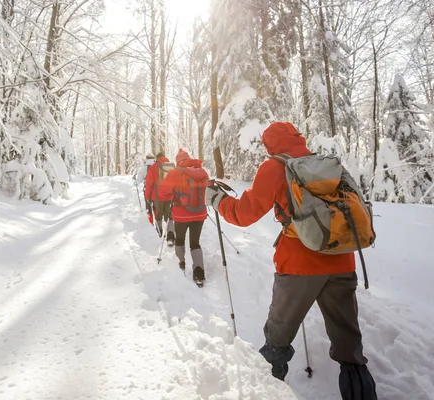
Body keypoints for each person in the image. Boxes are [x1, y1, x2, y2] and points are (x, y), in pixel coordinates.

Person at [205, 122, 377, 399]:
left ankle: (269, 391)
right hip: (342, 260)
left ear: (270, 145)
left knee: (278, 337)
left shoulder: (274, 167)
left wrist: (216, 200)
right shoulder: (330, 165)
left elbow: (244, 214)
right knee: (349, 346)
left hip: (298, 266)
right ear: (299, 139)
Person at [158, 149, 209, 285]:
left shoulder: (176, 172)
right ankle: (199, 274)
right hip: (200, 214)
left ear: (178, 161)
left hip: (181, 215)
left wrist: (172, 195)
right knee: (195, 242)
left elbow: (162, 191)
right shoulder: (202, 172)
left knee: (179, 239)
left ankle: (180, 264)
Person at [144, 151, 175, 244]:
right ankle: (170, 236)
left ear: (156, 158)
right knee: (169, 216)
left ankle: (159, 232)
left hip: (157, 196)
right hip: (170, 195)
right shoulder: (171, 166)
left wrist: (147, 197)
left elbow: (149, 184)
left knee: (158, 215)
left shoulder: (153, 167)